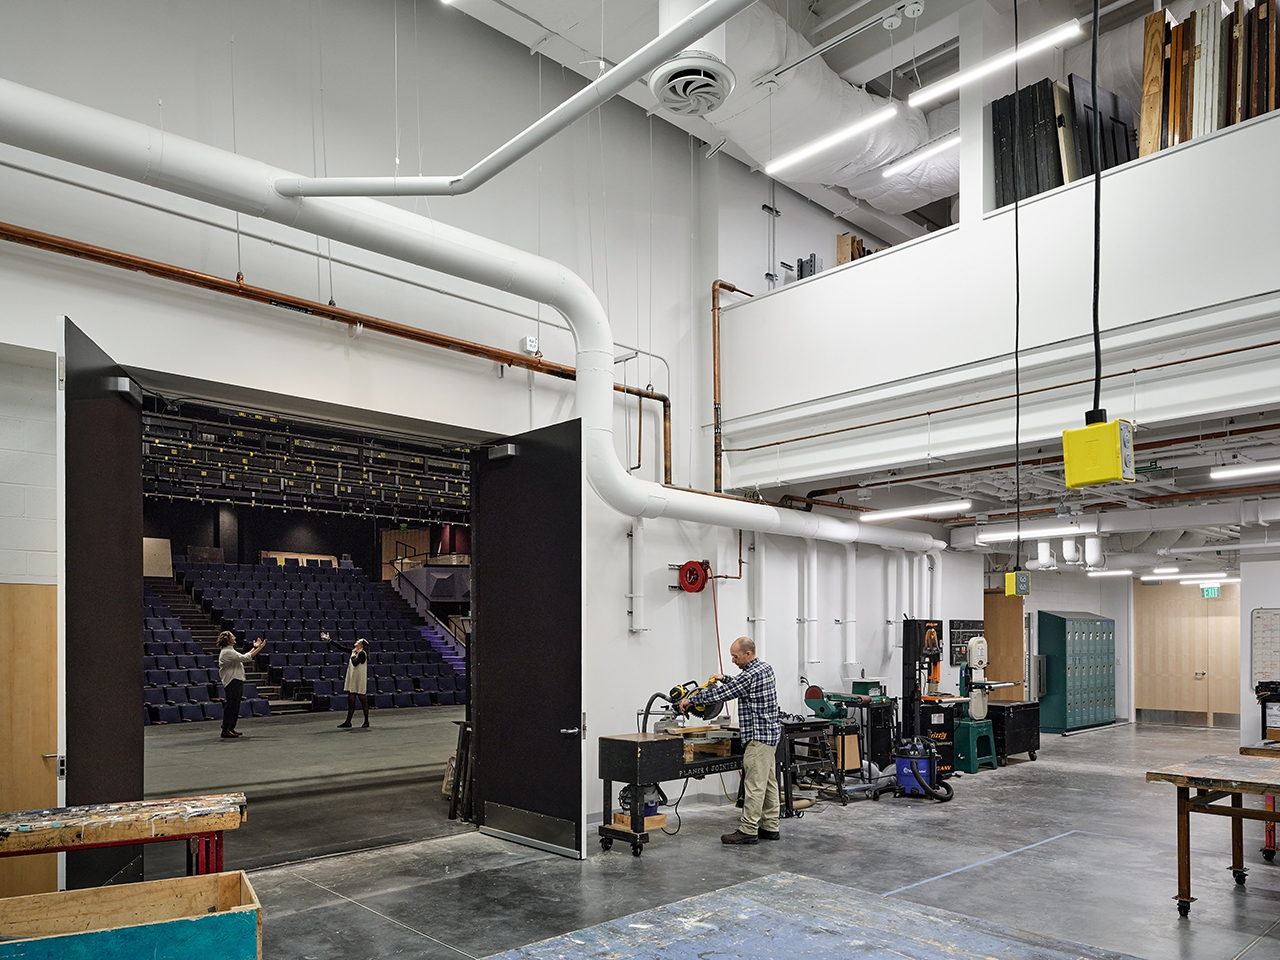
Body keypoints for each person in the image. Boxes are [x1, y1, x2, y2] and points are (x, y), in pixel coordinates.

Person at [679, 636, 780, 845]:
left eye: (735, 656)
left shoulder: (749, 675)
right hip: (770, 736)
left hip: (758, 738)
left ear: (748, 654)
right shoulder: (764, 668)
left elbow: (723, 694)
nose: (733, 660)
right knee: (768, 782)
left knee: (753, 785)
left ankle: (749, 830)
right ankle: (770, 826)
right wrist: (724, 677)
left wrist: (691, 699)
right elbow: (740, 685)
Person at [217, 631, 265, 740]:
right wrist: (258, 649)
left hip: (235, 680)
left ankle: (230, 727)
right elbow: (245, 658)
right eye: (232, 637)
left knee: (235, 705)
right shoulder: (227, 652)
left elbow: (243, 656)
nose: (234, 639)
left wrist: (254, 648)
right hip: (231, 681)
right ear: (228, 640)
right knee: (231, 706)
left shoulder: (230, 650)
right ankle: (226, 729)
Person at [324, 633, 370, 728]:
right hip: (353, 678)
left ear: (362, 645)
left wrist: (353, 656)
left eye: (358, 642)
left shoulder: (362, 653)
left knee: (362, 699)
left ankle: (366, 720)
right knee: (351, 699)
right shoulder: (354, 652)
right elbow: (341, 648)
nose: (356, 642)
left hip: (359, 679)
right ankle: (348, 721)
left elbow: (355, 662)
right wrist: (329, 640)